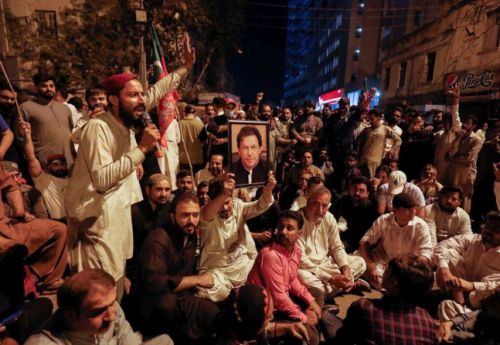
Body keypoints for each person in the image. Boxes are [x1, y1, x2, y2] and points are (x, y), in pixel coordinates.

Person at [64, 72, 162, 299]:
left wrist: (184, 69)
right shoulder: (98, 128)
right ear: (114, 100)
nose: (141, 100)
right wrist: (142, 150)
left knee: (115, 286)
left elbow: (156, 93)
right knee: (97, 294)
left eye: (141, 95)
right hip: (96, 223)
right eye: (133, 95)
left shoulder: (124, 124)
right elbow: (101, 180)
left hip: (116, 217)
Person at [137, 192, 219, 343]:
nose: (191, 221)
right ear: (173, 215)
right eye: (185, 215)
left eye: (195, 215)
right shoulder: (159, 238)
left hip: (181, 298)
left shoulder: (191, 235)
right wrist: (196, 280)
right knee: (169, 306)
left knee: (212, 313)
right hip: (155, 304)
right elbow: (155, 283)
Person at [25, 269, 172, 345]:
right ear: (70, 315)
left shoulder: (108, 305)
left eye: (112, 303)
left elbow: (124, 331)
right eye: (100, 311)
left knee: (165, 340)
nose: (112, 315)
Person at [196, 172, 276, 302]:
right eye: (221, 203)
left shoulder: (238, 205)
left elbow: (261, 205)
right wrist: (223, 194)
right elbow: (206, 214)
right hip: (219, 273)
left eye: (228, 202)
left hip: (244, 267)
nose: (225, 208)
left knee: (269, 269)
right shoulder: (206, 213)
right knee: (209, 290)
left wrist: (268, 189)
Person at [247, 210, 322, 345]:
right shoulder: (270, 255)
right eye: (281, 227)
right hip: (267, 311)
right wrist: (304, 317)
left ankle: (317, 320)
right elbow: (279, 297)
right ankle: (315, 324)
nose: (283, 232)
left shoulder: (296, 250)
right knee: (309, 335)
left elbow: (292, 279)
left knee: (317, 294)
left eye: (289, 228)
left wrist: (311, 302)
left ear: (300, 234)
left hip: (281, 299)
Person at [336, 255, 439, 345]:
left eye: (386, 269)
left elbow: (343, 340)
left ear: (392, 282)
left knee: (329, 320)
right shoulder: (428, 322)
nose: (384, 270)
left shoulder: (365, 307)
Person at [0, 164, 67, 294]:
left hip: (6, 224)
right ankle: (18, 291)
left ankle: (45, 280)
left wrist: (21, 211)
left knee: (59, 230)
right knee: (12, 249)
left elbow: (11, 185)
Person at [297, 187, 367, 301]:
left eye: (324, 206)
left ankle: (336, 287)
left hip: (326, 264)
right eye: (316, 204)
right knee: (302, 277)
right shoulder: (297, 220)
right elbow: (301, 261)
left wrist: (345, 269)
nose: (320, 210)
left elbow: (337, 247)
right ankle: (346, 285)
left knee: (360, 262)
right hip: (308, 269)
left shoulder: (329, 218)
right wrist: (331, 279)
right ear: (307, 201)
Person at [434, 211, 500, 321]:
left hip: (482, 298)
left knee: (494, 285)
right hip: (457, 288)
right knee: (449, 254)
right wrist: (446, 273)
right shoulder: (473, 239)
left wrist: (472, 285)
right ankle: (462, 312)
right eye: (487, 226)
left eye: (495, 229)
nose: (487, 230)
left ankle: (463, 316)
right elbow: (441, 247)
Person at [359, 193, 433, 289]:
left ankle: (391, 287)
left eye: (414, 209)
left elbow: (426, 254)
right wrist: (371, 265)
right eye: (408, 210)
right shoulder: (383, 220)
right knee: (360, 259)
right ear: (395, 210)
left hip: (410, 266)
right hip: (386, 263)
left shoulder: (420, 225)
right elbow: (364, 242)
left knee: (421, 278)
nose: (413, 212)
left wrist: (407, 266)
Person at [19, 72, 75, 168]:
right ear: (36, 87)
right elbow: (20, 138)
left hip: (69, 162)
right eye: (44, 86)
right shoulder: (25, 108)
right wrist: (32, 160)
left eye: (51, 86)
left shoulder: (65, 108)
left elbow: (71, 132)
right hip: (44, 163)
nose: (49, 89)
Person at [20, 119, 69, 221]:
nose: (60, 167)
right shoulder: (43, 178)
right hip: (57, 221)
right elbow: (31, 157)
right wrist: (27, 135)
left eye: (62, 164)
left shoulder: (72, 180)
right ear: (48, 167)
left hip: (76, 220)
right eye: (55, 164)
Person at [444, 114, 484, 212]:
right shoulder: (459, 136)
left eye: (468, 123)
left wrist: (454, 158)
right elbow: (449, 155)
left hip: (466, 174)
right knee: (451, 195)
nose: (465, 125)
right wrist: (457, 139)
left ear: (474, 126)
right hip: (453, 172)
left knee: (463, 197)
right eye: (464, 122)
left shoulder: (476, 140)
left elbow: (468, 159)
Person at [332, 176, 379, 252]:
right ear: (350, 189)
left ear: (367, 194)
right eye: (355, 189)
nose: (357, 193)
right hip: (336, 240)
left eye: (361, 191)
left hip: (358, 247)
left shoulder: (371, 210)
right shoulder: (341, 202)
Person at [356, 108, 401, 178]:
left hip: (375, 162)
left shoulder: (386, 129)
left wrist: (391, 151)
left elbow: (398, 140)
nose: (370, 121)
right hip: (363, 161)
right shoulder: (366, 130)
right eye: (369, 119)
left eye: (372, 119)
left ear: (378, 118)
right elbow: (358, 144)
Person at [179, 105, 204, 172]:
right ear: (195, 113)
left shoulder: (179, 124)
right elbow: (204, 140)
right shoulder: (200, 124)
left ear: (185, 112)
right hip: (197, 158)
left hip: (183, 159)